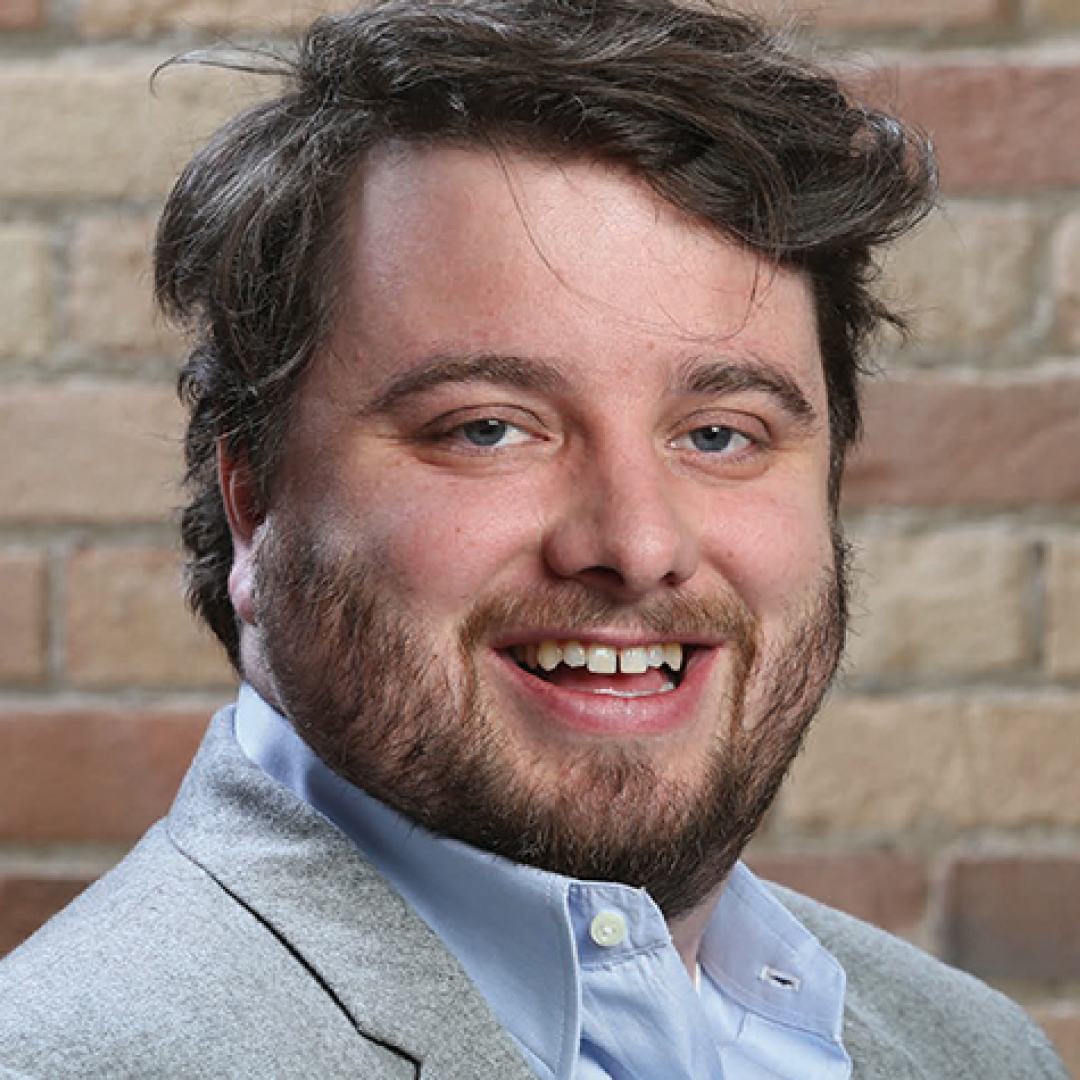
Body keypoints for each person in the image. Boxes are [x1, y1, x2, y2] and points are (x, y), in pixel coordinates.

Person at [0, 1, 1067, 1076]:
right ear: (252, 497)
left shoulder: (972, 1050)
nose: (638, 542)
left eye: (717, 434)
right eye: (489, 428)